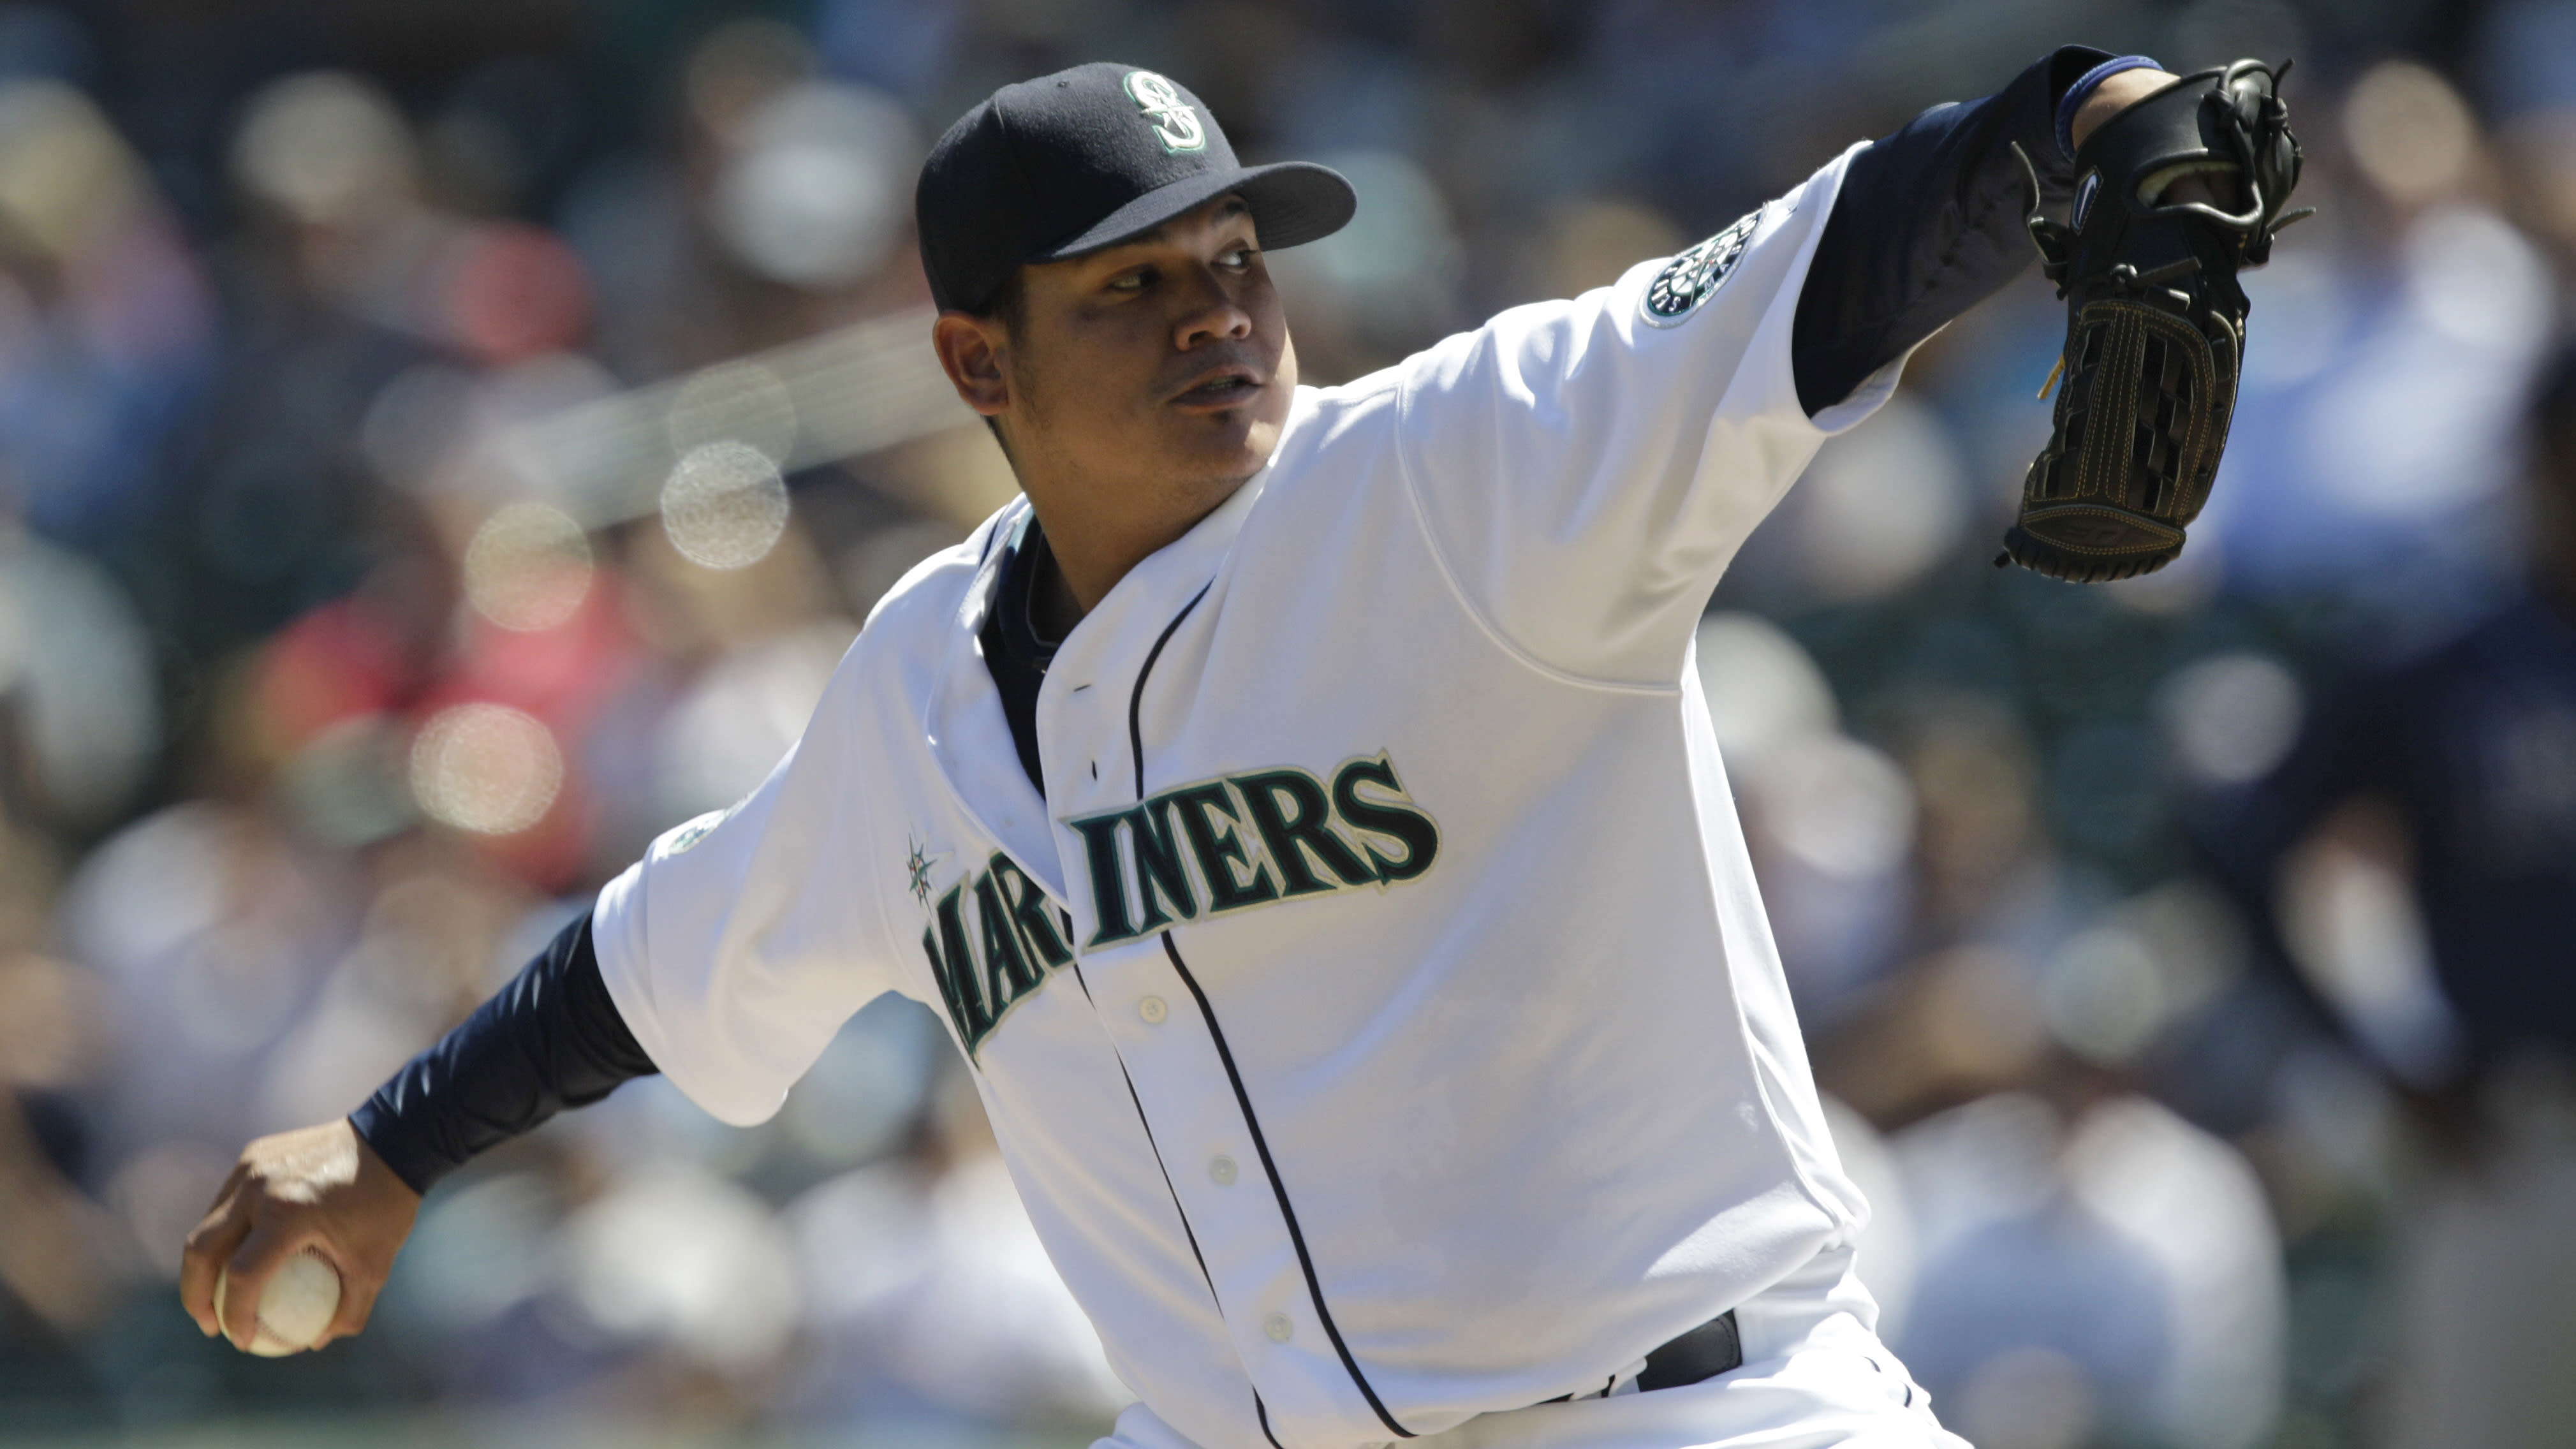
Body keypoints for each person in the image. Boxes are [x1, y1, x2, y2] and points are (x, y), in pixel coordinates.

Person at [184, 52, 2231, 1449]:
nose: (1219, 316)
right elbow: (658, 952)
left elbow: (1841, 251)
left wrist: (2085, 117)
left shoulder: (1461, 474)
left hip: (1687, 1410)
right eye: (1138, 284)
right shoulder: (915, 687)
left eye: (1241, 265)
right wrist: (387, 1150)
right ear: (977, 362)